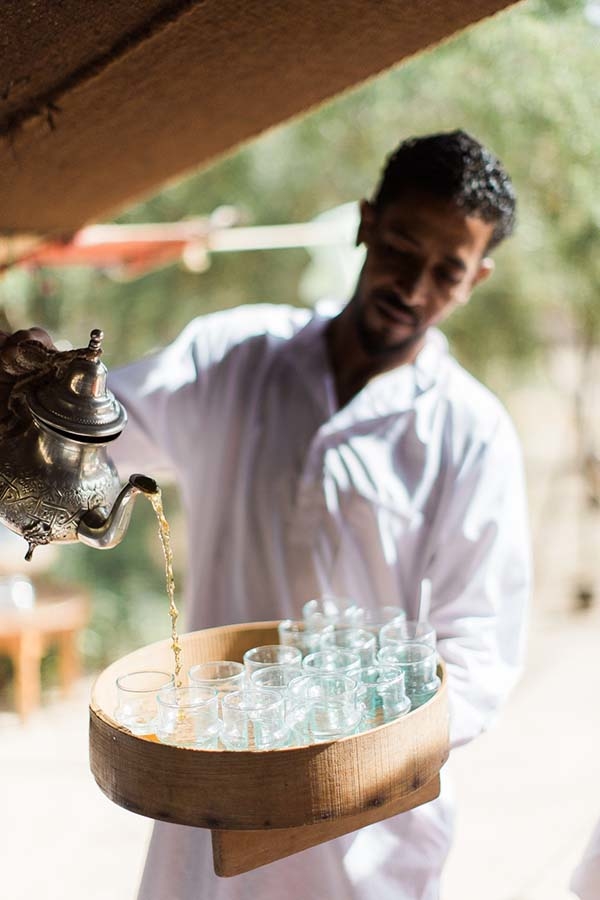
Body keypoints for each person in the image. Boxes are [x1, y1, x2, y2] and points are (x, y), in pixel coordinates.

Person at [1, 130, 531, 899]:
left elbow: (478, 654)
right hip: (210, 814)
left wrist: (338, 765)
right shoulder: (234, 358)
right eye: (402, 249)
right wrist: (36, 405)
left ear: (478, 276)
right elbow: (99, 448)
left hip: (368, 846)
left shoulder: (470, 435)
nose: (414, 287)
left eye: (446, 271)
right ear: (365, 223)